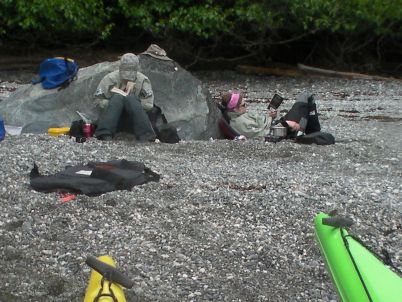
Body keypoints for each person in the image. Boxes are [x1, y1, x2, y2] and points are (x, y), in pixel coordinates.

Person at [94, 53, 156, 142]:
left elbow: (149, 104)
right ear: (120, 68)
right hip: (112, 118)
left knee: (130, 98)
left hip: (134, 119)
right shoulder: (110, 79)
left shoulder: (143, 80)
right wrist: (113, 103)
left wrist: (132, 103)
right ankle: (104, 133)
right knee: (118, 98)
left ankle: (146, 135)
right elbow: (97, 100)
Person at [220, 91, 321, 140]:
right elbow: (263, 134)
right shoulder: (239, 123)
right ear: (235, 109)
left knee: (306, 99)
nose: (246, 107)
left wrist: (270, 117)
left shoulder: (240, 114)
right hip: (280, 130)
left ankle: (306, 132)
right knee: (306, 99)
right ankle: (304, 133)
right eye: (243, 105)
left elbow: (261, 125)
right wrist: (286, 124)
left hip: (277, 125)